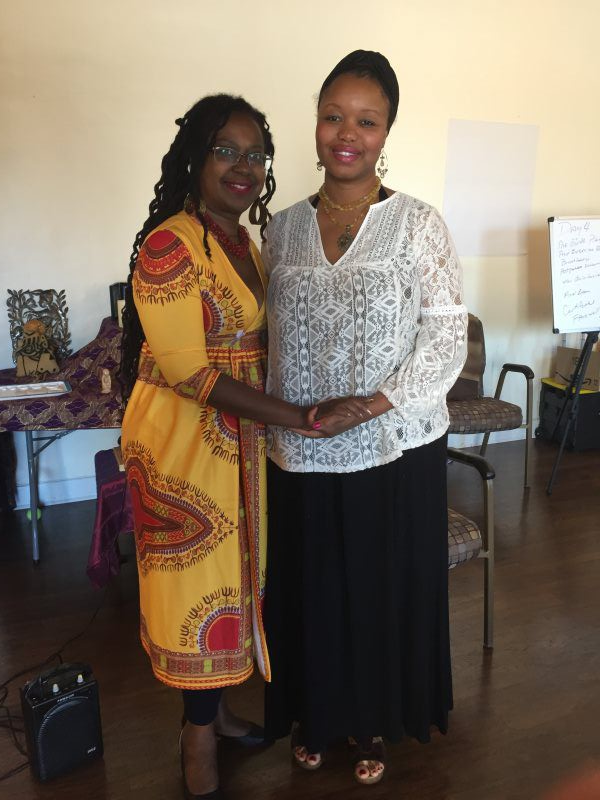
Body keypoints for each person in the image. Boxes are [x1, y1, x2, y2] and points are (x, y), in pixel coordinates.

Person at [262, 51, 468, 785]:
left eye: (366, 121)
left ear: (386, 132)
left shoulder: (418, 224)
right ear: (316, 123)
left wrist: (372, 404)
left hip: (392, 447)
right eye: (332, 116)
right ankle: (316, 715)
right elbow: (262, 338)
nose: (345, 134)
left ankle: (374, 722)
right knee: (311, 588)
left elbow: (444, 336)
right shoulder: (279, 229)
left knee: (379, 587)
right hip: (301, 449)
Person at [119, 94, 318, 800]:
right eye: (227, 150)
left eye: (256, 153)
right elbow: (190, 372)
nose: (245, 166)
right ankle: (196, 740)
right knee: (193, 587)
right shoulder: (170, 243)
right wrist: (296, 415)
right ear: (195, 159)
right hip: (183, 441)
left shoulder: (241, 241)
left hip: (237, 436)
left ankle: (220, 712)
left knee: (233, 580)